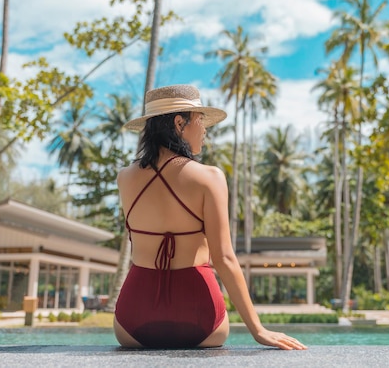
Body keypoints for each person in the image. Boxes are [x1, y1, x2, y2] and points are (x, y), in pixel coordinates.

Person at [113, 84, 307, 350]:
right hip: (199, 319)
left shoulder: (124, 177)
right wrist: (258, 330)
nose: (205, 130)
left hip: (132, 323)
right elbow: (224, 258)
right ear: (180, 123)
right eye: (200, 120)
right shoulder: (209, 177)